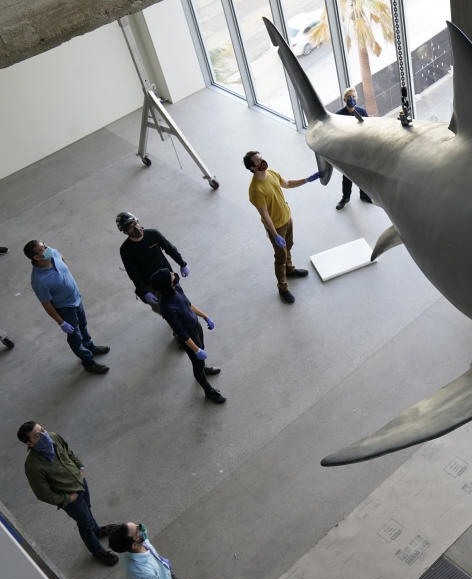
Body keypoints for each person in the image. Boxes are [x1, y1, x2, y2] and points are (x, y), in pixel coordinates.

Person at [17, 421, 119, 566]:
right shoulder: (33, 466)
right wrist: (67, 499)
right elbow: (42, 494)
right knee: (84, 524)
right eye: (37, 436)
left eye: (42, 429)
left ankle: (96, 531)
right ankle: (97, 551)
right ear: (29, 443)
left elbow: (68, 452)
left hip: (81, 483)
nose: (44, 435)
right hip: (71, 498)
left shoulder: (54, 437)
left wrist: (80, 467)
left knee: (88, 509)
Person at [243, 150, 320, 304]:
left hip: (287, 218)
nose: (262, 161)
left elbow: (287, 184)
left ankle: (289, 270)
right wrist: (275, 235)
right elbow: (264, 214)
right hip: (276, 227)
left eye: (261, 158)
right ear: (252, 168)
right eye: (258, 161)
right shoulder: (255, 189)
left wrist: (307, 179)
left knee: (289, 245)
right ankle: (282, 287)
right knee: (280, 257)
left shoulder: (271, 173)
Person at [24, 240, 109, 374]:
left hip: (76, 299)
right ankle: (88, 362)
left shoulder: (54, 254)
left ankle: (90, 346)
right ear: (36, 257)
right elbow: (46, 304)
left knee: (83, 326)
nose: (47, 248)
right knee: (75, 337)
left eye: (45, 245)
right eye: (43, 249)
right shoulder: (39, 281)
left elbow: (62, 259)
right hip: (65, 309)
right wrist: (61, 322)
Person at [149, 269, 225, 404]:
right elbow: (181, 333)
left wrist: (205, 317)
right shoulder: (167, 308)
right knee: (197, 364)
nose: (173, 274)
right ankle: (208, 391)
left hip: (196, 327)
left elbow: (189, 305)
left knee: (201, 356)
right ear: (166, 283)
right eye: (171, 275)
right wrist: (196, 350)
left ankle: (204, 368)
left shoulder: (177, 288)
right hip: (188, 337)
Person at [117, 212, 189, 312]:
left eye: (135, 223)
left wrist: (182, 263)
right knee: (166, 310)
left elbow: (170, 249)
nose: (136, 227)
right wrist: (144, 291)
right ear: (125, 232)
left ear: (138, 221)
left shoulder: (153, 234)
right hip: (151, 286)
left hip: (168, 278)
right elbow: (133, 273)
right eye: (131, 227)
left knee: (182, 302)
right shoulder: (125, 250)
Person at [335, 88, 373, 211]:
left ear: (356, 98)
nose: (351, 99)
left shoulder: (362, 111)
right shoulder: (339, 114)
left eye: (353, 97)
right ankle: (345, 198)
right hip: (347, 150)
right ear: (344, 99)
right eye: (349, 97)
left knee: (362, 173)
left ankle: (364, 194)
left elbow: (368, 128)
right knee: (347, 175)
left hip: (361, 148)